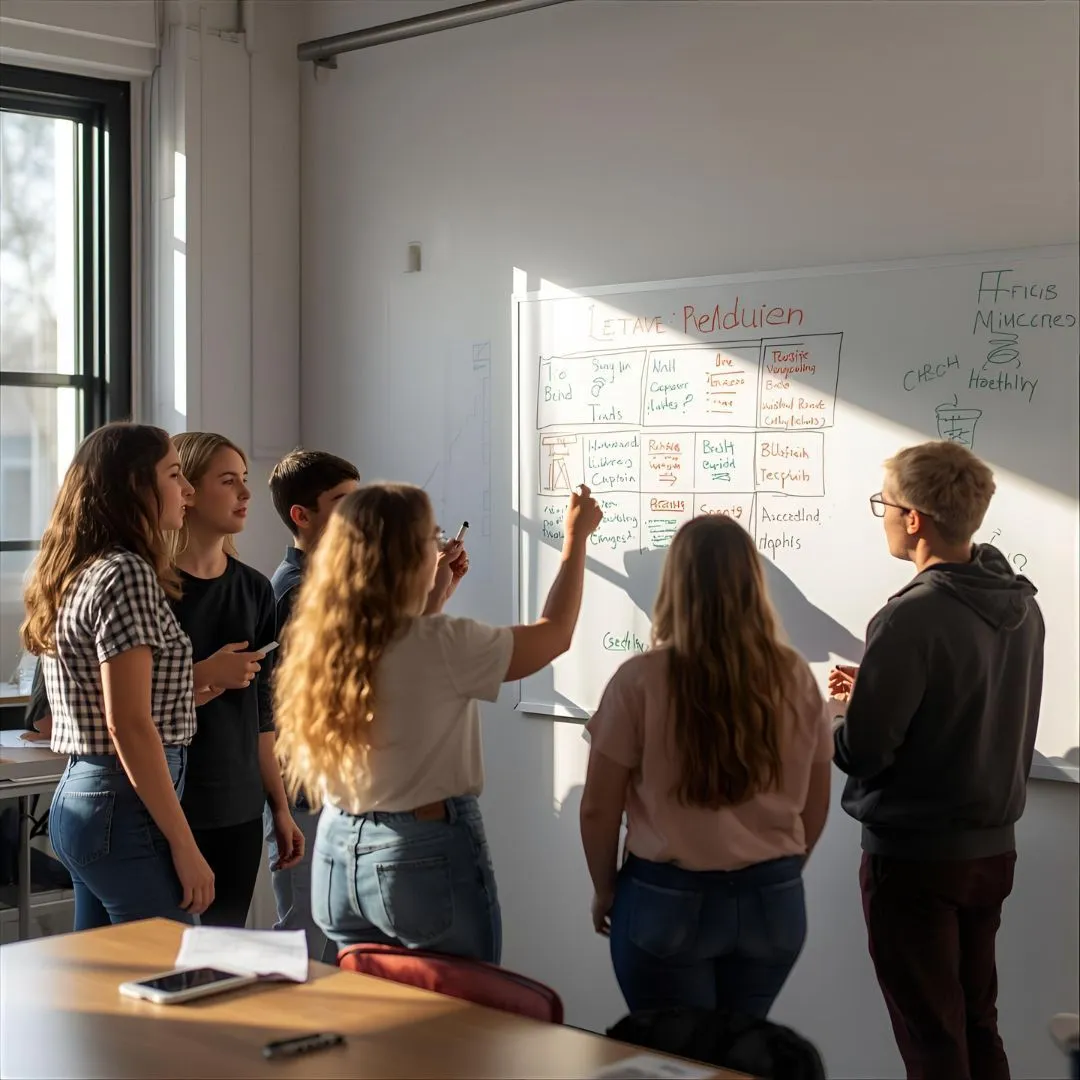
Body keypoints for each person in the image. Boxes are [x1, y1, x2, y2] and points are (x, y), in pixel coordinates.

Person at [274, 481, 603, 963]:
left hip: (340, 846)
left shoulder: (321, 641)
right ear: (408, 555)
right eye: (433, 537)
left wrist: (433, 598)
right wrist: (575, 541)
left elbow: (401, 672)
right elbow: (553, 636)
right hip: (418, 851)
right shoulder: (441, 644)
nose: (441, 544)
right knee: (458, 1020)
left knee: (371, 1014)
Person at [831, 440, 1044, 1080]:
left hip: (917, 861)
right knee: (978, 1024)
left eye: (885, 506)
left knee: (931, 1040)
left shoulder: (910, 617)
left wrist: (837, 715)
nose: (886, 518)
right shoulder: (1022, 607)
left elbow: (865, 752)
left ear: (915, 519)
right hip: (991, 852)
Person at [580, 513, 832, 1018]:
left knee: (674, 1062)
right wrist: (776, 872)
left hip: (665, 899)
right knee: (740, 1055)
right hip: (772, 899)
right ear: (753, 585)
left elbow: (597, 810)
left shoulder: (639, 680)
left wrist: (606, 889)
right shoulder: (795, 677)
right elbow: (815, 804)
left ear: (675, 584)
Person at [20, 422, 215, 927]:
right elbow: (127, 723)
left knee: (106, 986)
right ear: (135, 486)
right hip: (123, 803)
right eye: (174, 475)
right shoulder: (126, 572)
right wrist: (185, 844)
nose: (188, 490)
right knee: (172, 973)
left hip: (84, 795)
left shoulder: (82, 570)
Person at [169, 432, 304, 927]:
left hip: (240, 809)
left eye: (245, 480)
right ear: (186, 489)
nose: (246, 495)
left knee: (221, 956)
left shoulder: (253, 589)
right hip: (170, 809)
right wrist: (200, 676)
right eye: (229, 481)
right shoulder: (147, 585)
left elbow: (261, 716)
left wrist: (280, 809)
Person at [265, 448, 360, 959]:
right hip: (304, 796)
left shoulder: (329, 589)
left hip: (331, 790)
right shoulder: (296, 592)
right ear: (302, 516)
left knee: (337, 940)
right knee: (305, 941)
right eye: (343, 502)